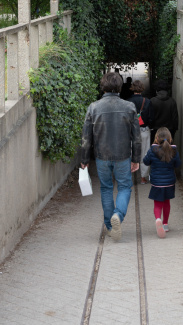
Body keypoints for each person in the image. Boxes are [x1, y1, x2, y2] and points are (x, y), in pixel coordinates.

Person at [80, 72, 141, 242]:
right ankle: (118, 215)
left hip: (102, 156)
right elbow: (136, 137)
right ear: (120, 86)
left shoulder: (94, 107)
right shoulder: (129, 107)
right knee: (125, 187)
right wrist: (136, 158)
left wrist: (84, 160)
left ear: (103, 86)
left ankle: (109, 226)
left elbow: (86, 138)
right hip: (123, 156)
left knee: (106, 188)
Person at [142, 127, 181, 238]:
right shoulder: (173, 151)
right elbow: (178, 164)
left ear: (156, 138)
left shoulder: (152, 150)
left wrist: (148, 155)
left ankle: (158, 219)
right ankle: (165, 224)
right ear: (169, 138)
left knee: (158, 204)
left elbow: (145, 162)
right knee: (166, 203)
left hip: (156, 183)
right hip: (169, 182)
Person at [127, 80, 154, 184]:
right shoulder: (147, 101)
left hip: (130, 132)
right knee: (145, 153)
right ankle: (143, 178)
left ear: (132, 88)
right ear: (142, 88)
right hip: (144, 131)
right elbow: (152, 118)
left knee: (129, 153)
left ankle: (129, 177)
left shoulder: (128, 102)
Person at [150, 79, 179, 146]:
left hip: (155, 130)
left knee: (156, 150)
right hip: (169, 130)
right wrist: (174, 130)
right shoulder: (172, 101)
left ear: (157, 89)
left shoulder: (152, 101)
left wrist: (151, 127)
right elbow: (175, 118)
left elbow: (150, 117)